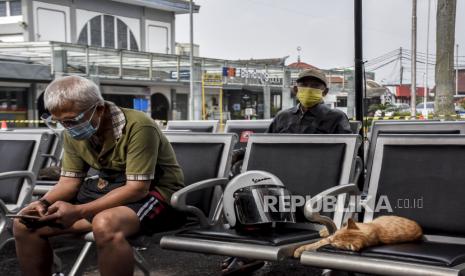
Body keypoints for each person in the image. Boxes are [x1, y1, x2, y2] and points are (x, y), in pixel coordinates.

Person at [13, 76, 185, 276]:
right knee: (25, 224)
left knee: (106, 224)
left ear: (100, 109)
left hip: (157, 194)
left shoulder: (139, 126)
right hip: (110, 188)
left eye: (72, 120)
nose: (67, 128)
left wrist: (77, 211)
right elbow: (69, 182)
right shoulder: (72, 132)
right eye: (59, 122)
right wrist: (42, 203)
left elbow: (137, 188)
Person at [267, 67, 352, 134]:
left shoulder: (336, 117)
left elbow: (347, 149)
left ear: (325, 92)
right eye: (304, 85)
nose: (309, 89)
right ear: (296, 90)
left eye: (315, 85)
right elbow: (266, 144)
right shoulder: (282, 116)